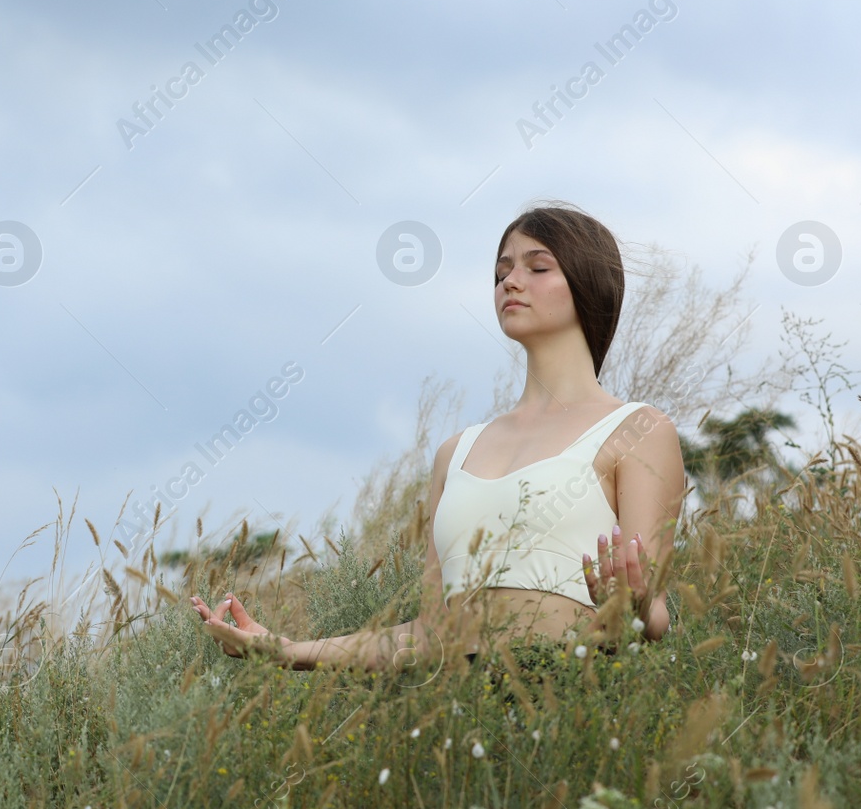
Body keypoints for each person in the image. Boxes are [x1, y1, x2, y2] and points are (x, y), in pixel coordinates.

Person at [190, 203, 687, 674]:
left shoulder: (639, 430)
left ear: (588, 283)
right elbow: (430, 635)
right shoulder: (457, 452)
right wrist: (283, 650)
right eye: (502, 271)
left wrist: (638, 606)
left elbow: (653, 611)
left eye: (538, 267)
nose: (511, 281)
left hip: (570, 713)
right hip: (456, 718)